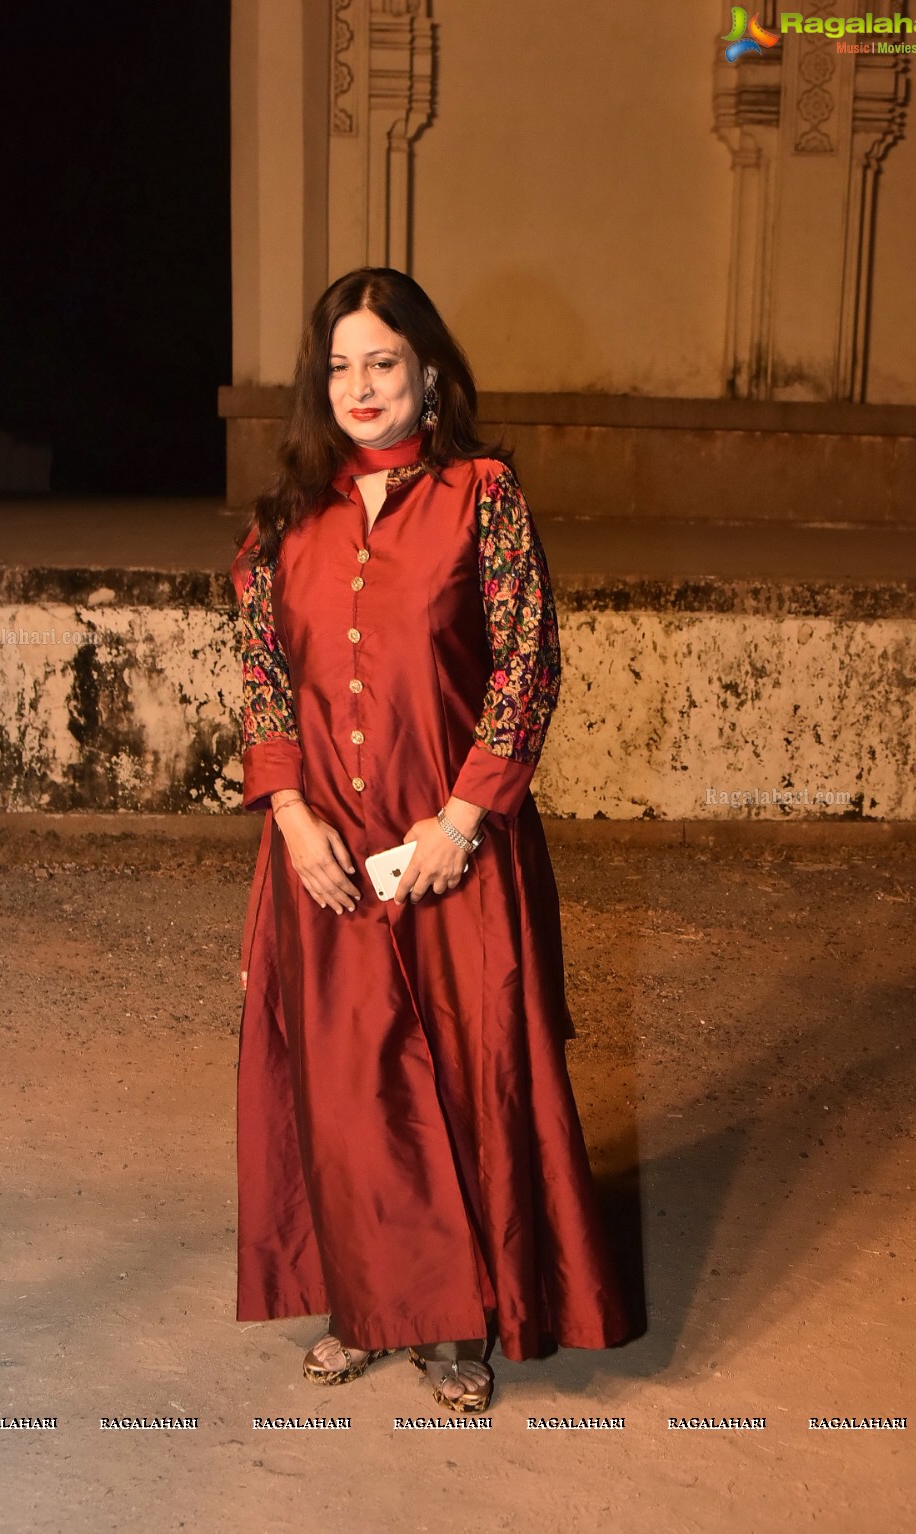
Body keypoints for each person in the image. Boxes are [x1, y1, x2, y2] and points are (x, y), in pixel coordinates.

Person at [232, 267, 628, 1414]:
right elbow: (263, 684)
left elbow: (527, 665)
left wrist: (466, 818)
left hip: (454, 841)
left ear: (430, 375)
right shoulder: (281, 524)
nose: (361, 386)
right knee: (349, 1087)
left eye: (385, 362)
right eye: (341, 365)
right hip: (324, 849)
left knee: (465, 1076)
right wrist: (290, 814)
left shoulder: (481, 497)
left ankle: (458, 1321)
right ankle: (369, 1304)